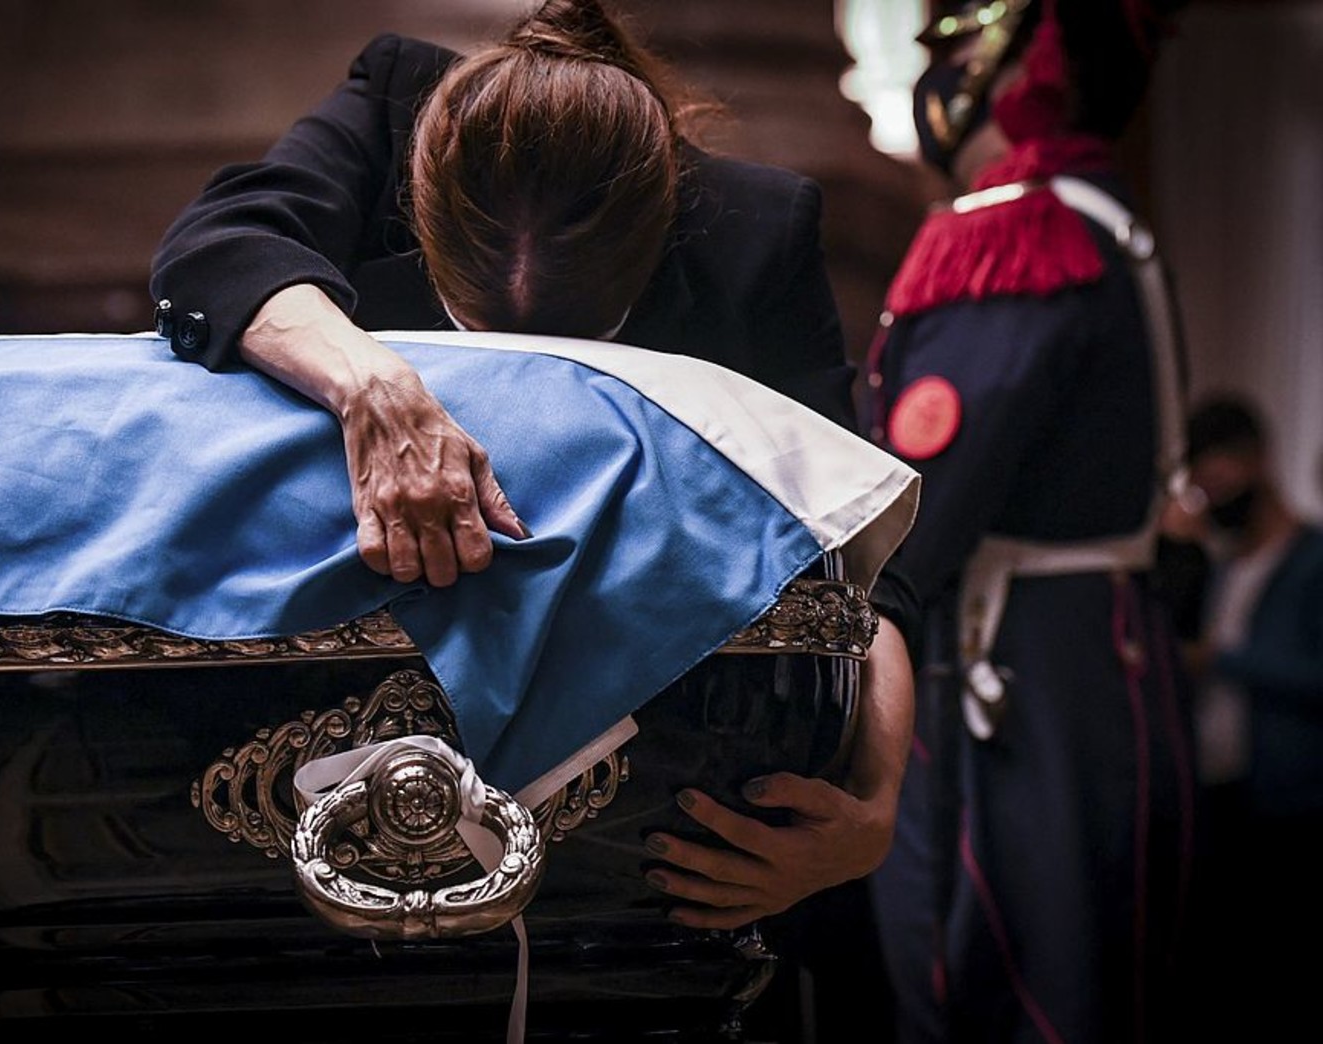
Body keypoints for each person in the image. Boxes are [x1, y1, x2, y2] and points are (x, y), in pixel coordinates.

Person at [149, 0, 917, 1012]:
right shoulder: (394, 109)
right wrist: (376, 391)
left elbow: (858, 554)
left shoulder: (749, 231)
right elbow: (216, 247)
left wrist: (875, 810)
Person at [861, 1, 1199, 1041]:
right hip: (1101, 652)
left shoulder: (1020, 230)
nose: (941, 65)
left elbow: (913, 513)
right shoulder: (1104, 212)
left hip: (1012, 665)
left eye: (964, 43)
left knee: (991, 981)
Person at [1178, 393, 1323, 1039]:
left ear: (1256, 461)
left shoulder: (1311, 560)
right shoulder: (1218, 567)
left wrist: (1223, 660)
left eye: (1221, 480)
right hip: (1217, 790)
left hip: (1292, 805)